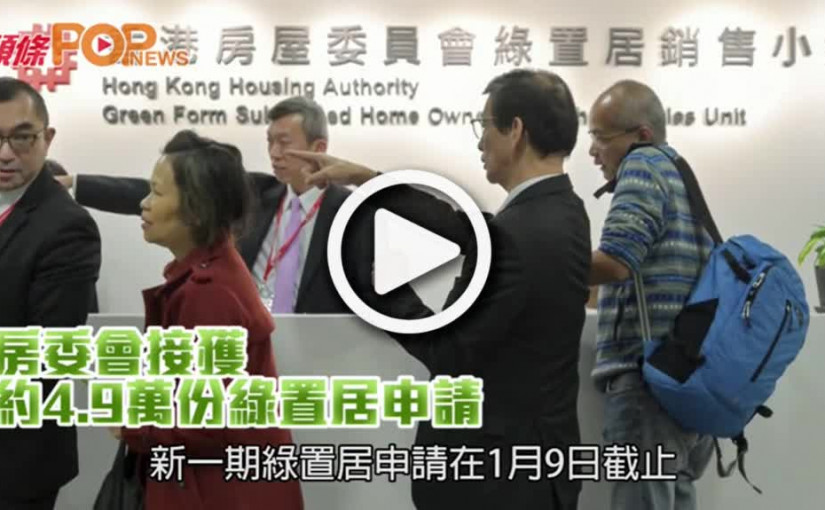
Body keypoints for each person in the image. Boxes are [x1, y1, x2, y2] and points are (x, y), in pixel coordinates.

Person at [292, 69, 591, 510]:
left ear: (515, 131)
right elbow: (469, 230)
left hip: (491, 482)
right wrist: (370, 180)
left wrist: (380, 292)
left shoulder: (520, 232)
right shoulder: (563, 209)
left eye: (484, 125)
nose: (480, 142)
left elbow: (447, 348)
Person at [111, 130, 303, 510]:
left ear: (196, 211)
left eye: (157, 193)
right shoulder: (208, 274)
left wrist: (133, 426)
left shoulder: (209, 293)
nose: (144, 204)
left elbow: (207, 421)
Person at [57, 96, 362, 313]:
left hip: (320, 348)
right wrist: (76, 184)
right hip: (244, 332)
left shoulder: (352, 212)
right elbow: (168, 193)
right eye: (269, 141)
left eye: (284, 142)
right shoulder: (259, 192)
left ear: (318, 147)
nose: (274, 152)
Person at [587, 80, 714, 510]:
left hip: (646, 384)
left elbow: (616, 262)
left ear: (641, 135)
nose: (593, 152)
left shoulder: (642, 165)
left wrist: (545, 264)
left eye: (601, 137)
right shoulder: (679, 171)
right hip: (684, 379)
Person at [0, 77, 101, 509]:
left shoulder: (66, 226)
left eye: (22, 137)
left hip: (15, 458)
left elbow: (47, 353)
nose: (6, 153)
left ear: (48, 137)